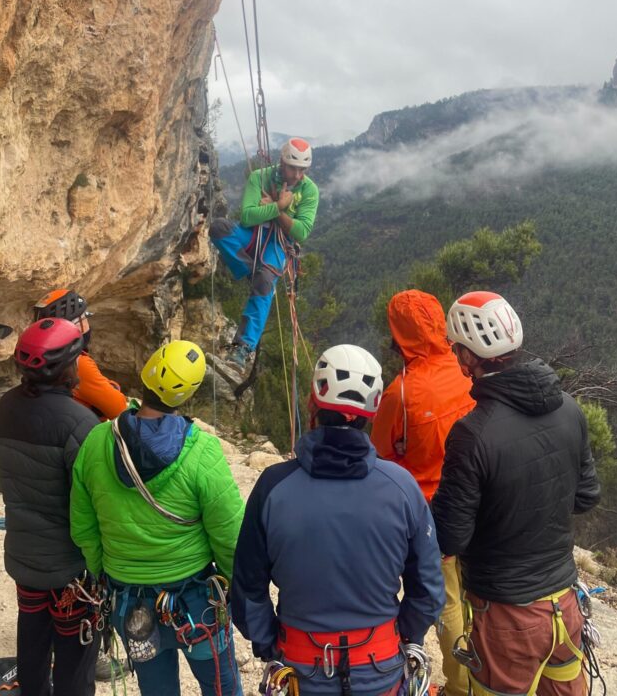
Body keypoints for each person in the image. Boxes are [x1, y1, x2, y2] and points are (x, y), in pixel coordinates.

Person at [231, 344, 444, 696]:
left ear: (313, 404)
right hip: (379, 665)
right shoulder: (401, 487)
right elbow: (428, 588)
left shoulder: (274, 486)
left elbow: (248, 589)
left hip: (301, 665)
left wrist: (270, 644)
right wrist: (404, 635)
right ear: (371, 413)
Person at [430, 292, 601, 696]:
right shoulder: (569, 409)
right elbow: (586, 496)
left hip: (507, 617)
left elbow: (451, 538)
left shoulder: (472, 435)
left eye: (457, 350)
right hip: (565, 604)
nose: (456, 359)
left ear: (469, 357)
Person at [70, 340, 245, 696]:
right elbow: (229, 534)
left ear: (146, 375)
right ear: (188, 394)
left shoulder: (98, 442)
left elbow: (84, 526)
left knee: (156, 688)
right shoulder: (201, 451)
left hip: (129, 600)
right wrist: (232, 585)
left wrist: (104, 571)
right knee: (220, 685)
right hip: (195, 599)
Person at [0, 318, 100, 696]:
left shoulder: (1, 409)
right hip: (70, 568)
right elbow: (94, 504)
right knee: (75, 653)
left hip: (23, 555)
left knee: (32, 641)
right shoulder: (81, 423)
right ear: (67, 367)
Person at [370, 290, 475, 696]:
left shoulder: (401, 394)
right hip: (477, 499)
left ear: (399, 335)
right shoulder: (466, 369)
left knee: (446, 602)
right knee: (475, 594)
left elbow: (378, 455)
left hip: (430, 511)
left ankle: (461, 686)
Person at [211, 137, 319, 375]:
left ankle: (243, 346)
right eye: (293, 168)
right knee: (219, 228)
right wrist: (279, 206)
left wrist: (275, 210)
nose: (298, 175)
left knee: (265, 281)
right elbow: (248, 217)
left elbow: (301, 232)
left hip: (279, 245)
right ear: (282, 162)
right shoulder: (259, 177)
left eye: (303, 170)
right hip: (251, 235)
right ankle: (251, 271)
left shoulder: (309, 190)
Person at [33, 288, 128, 419]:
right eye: (84, 318)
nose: (87, 324)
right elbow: (119, 409)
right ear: (75, 326)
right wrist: (113, 386)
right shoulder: (78, 364)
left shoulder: (37, 357)